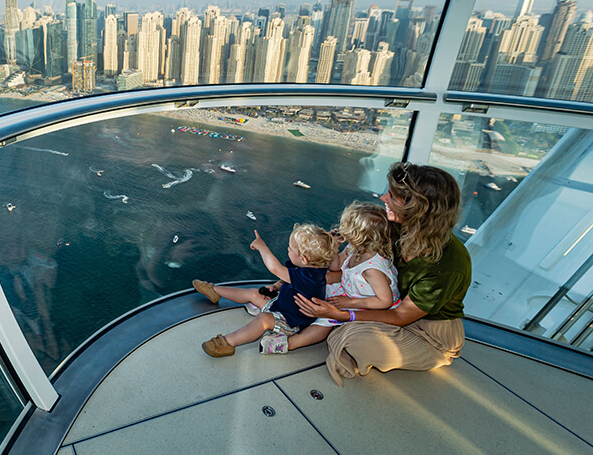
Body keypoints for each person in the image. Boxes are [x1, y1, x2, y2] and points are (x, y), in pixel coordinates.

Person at [295, 162, 471, 386]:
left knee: (351, 337)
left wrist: (343, 314)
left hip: (428, 333)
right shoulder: (393, 228)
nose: (383, 197)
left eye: (393, 196)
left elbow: (400, 317)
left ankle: (434, 356)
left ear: (416, 207)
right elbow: (353, 269)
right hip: (388, 306)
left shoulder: (448, 264)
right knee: (316, 291)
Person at [262, 201, 401, 353]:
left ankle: (289, 343)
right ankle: (282, 310)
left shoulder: (372, 270)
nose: (342, 229)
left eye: (346, 226)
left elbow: (385, 301)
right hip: (352, 291)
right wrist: (334, 247)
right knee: (312, 286)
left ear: (358, 235)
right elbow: (335, 266)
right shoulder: (354, 248)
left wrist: (351, 302)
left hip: (368, 303)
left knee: (324, 321)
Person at [194, 224, 336, 357]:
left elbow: (276, 269)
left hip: (290, 321)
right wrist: (276, 286)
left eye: (290, 249)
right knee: (254, 293)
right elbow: (289, 279)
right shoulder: (310, 268)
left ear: (304, 259)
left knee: (263, 320)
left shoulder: (311, 277)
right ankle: (214, 291)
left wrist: (262, 247)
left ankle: (228, 342)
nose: (287, 249)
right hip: (281, 305)